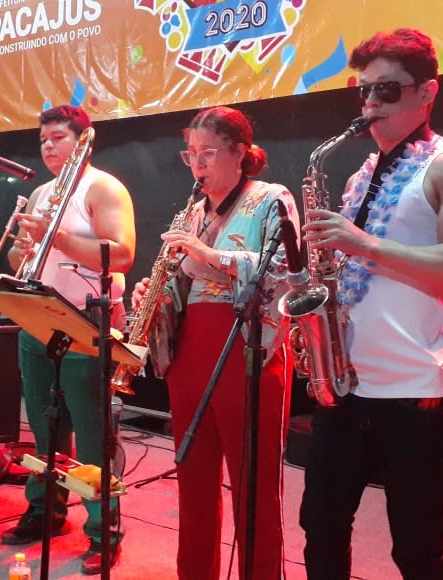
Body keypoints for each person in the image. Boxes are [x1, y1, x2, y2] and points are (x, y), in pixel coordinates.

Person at [298, 28, 443, 580]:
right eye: (362, 90)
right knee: (320, 527)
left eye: (386, 90)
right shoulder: (361, 176)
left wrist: (364, 244)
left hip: (417, 394)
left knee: (417, 549)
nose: (369, 103)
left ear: (426, 93)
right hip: (344, 386)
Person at [132, 106, 297, 579]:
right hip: (190, 353)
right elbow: (183, 281)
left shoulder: (271, 198)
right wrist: (157, 293)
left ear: (240, 153)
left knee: (254, 485)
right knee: (193, 480)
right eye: (190, 154)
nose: (198, 164)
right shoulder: (192, 211)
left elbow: (289, 272)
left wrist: (209, 254)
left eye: (208, 153)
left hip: (248, 348)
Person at [3, 104, 136, 575]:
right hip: (37, 319)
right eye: (43, 140)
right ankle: (45, 511)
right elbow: (24, 259)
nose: (48, 146)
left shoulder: (102, 187)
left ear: (82, 140)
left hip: (85, 322)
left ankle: (104, 530)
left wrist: (55, 237)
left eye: (58, 137)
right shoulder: (42, 193)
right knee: (44, 430)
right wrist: (24, 249)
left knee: (93, 436)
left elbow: (122, 254)